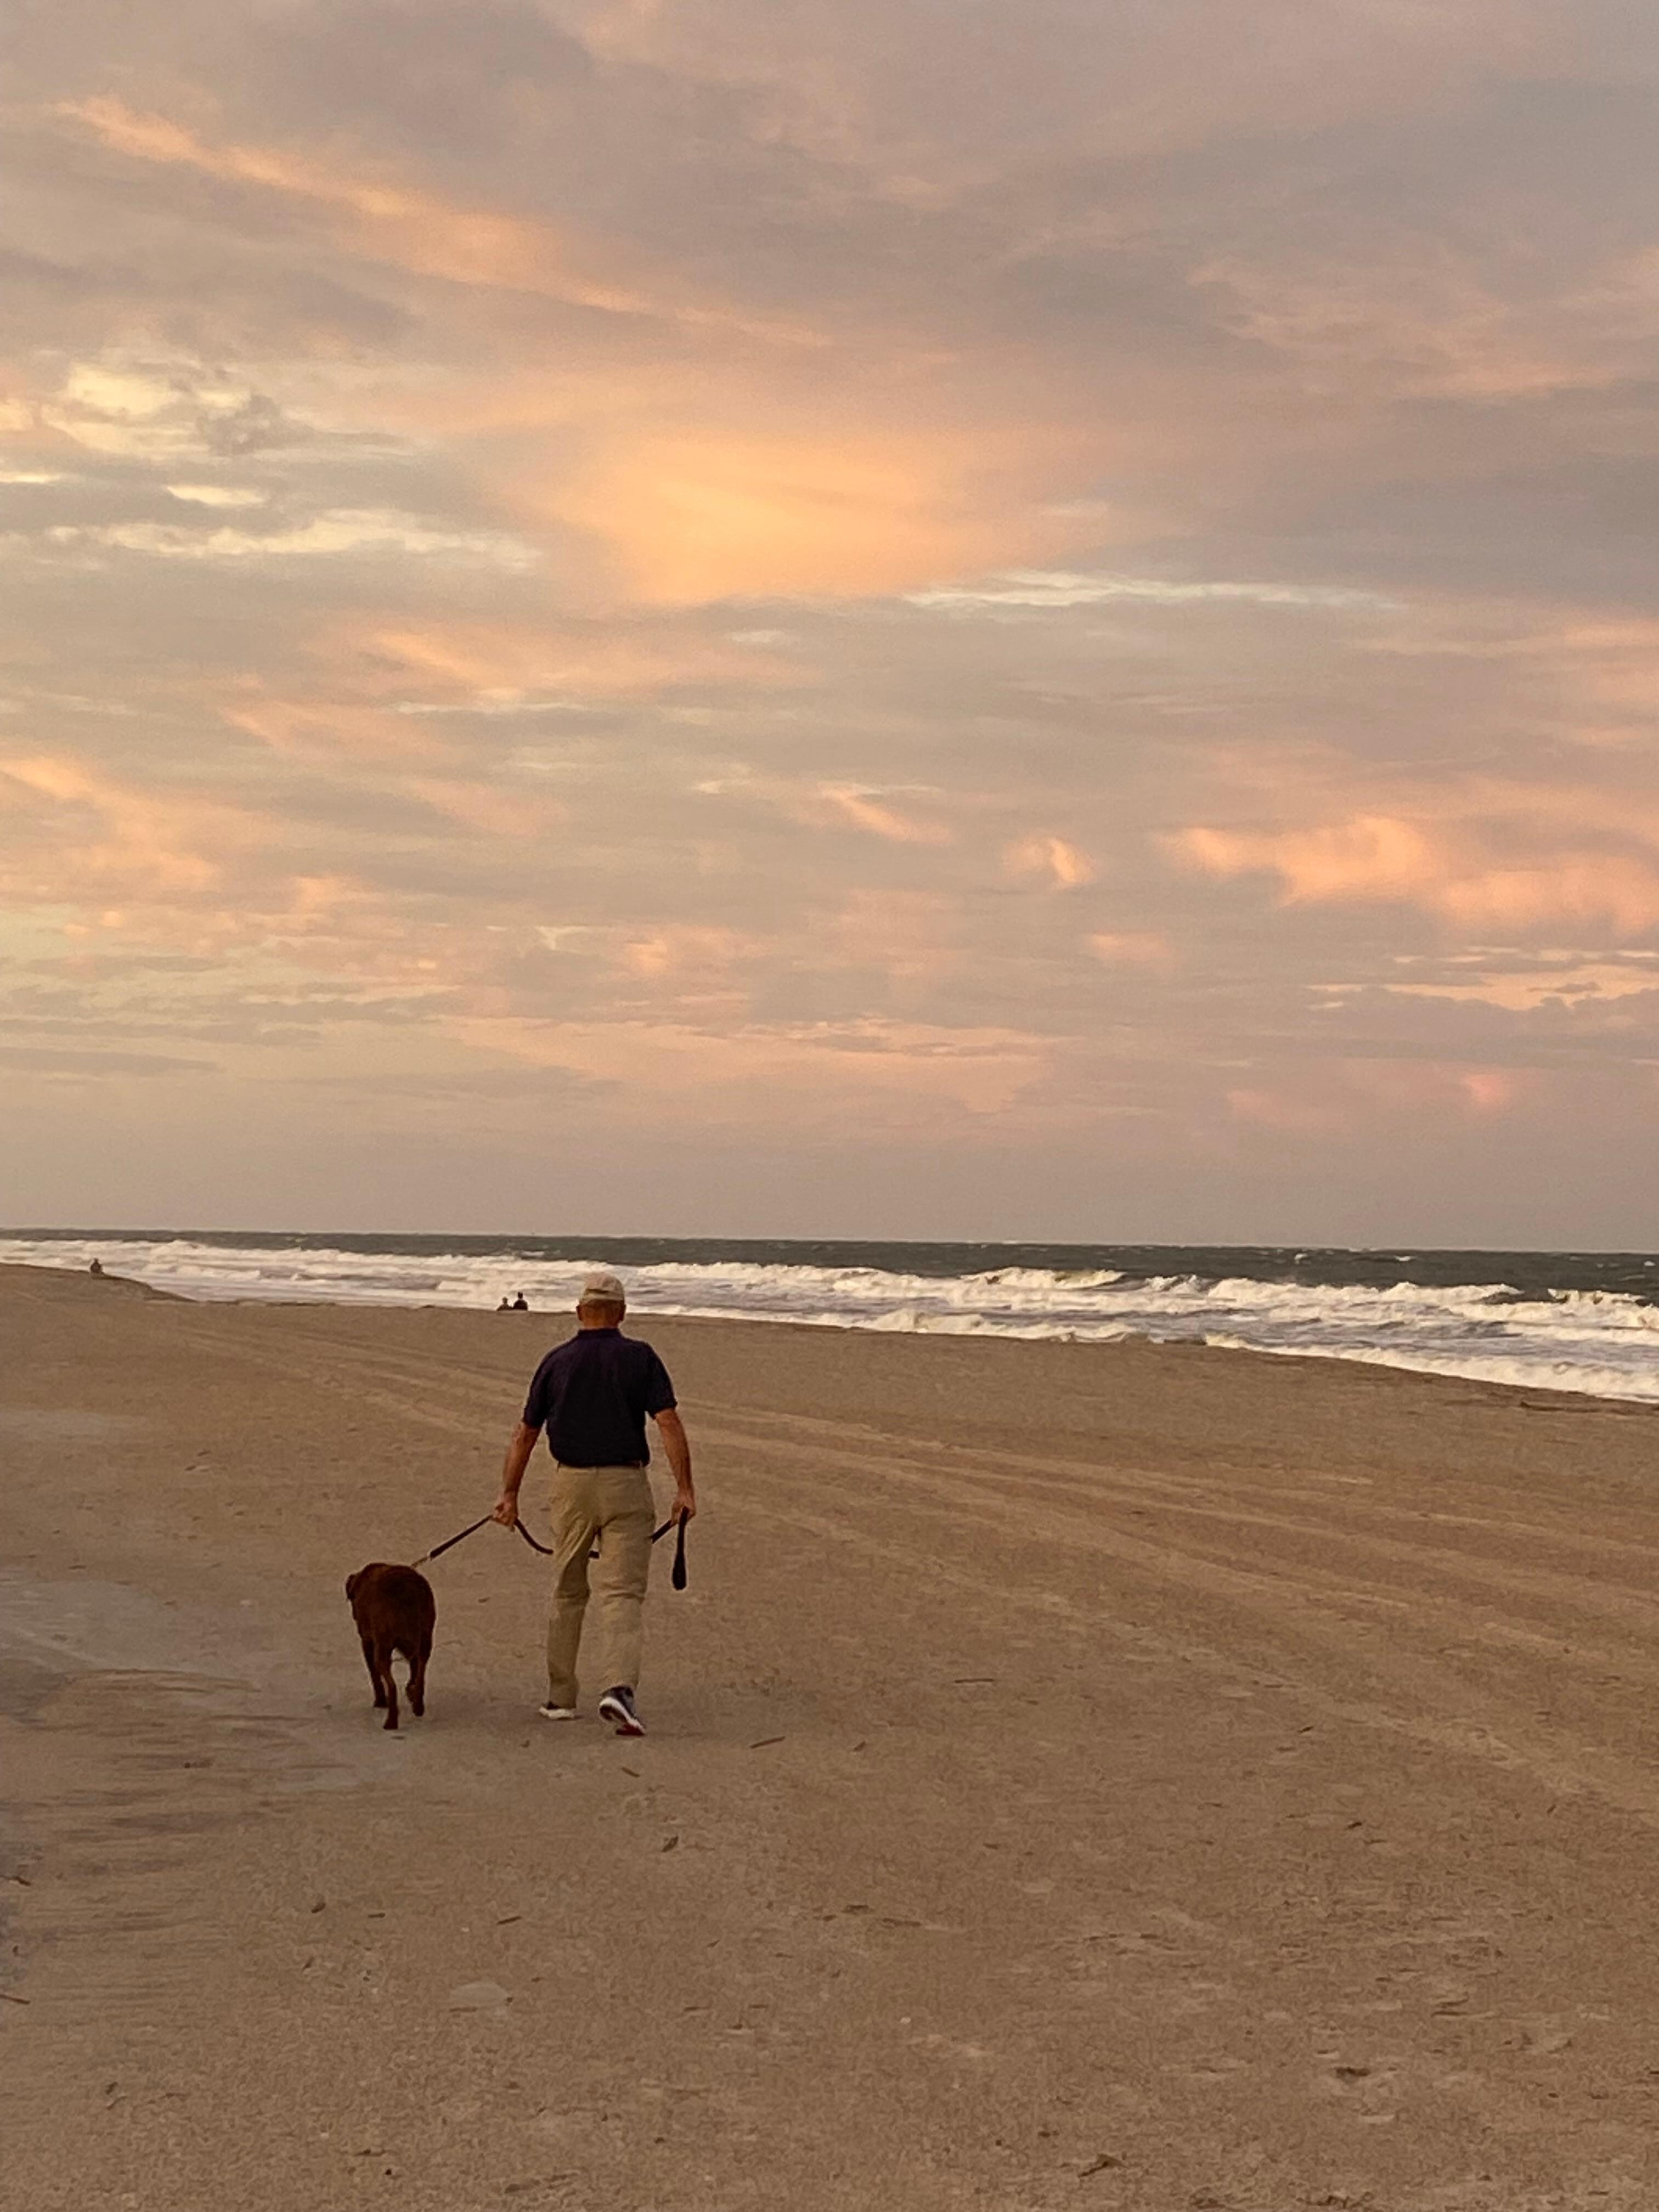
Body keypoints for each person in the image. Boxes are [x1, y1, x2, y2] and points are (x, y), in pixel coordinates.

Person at [492, 1269, 695, 1737]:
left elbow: (525, 1433)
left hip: (572, 1488)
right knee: (622, 1593)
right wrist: (684, 1489)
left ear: (580, 1312)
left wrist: (509, 1495)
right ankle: (618, 1689)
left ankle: (561, 1697)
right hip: (627, 1484)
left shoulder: (556, 1362)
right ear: (621, 1314)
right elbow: (668, 1423)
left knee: (568, 1589)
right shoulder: (641, 1358)